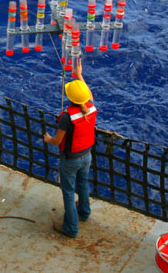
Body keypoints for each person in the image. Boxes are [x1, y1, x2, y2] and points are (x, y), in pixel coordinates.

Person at [43, 59, 96, 238]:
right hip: (87, 155)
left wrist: (48, 139)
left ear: (70, 98)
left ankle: (71, 229)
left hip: (71, 159)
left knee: (67, 191)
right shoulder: (90, 108)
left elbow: (58, 141)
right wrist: (80, 75)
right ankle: (85, 213)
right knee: (83, 184)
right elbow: (89, 95)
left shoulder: (67, 117)